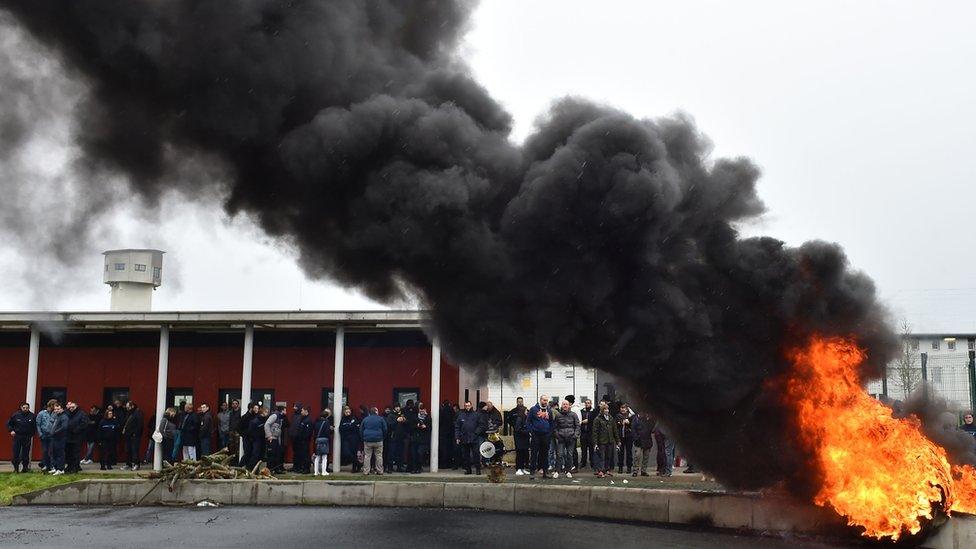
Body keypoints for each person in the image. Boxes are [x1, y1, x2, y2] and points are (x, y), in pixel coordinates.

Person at [454, 401, 486, 475]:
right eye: (466, 406)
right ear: (464, 406)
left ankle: (478, 469)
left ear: (471, 406)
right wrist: (457, 437)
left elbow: (481, 425)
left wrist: (476, 433)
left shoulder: (476, 415)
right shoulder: (461, 415)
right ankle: (468, 469)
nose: (467, 407)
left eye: (468, 405)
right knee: (466, 455)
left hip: (474, 438)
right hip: (464, 438)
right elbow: (457, 427)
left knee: (476, 454)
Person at [527, 395, 554, 477]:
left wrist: (549, 433)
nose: (545, 402)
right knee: (534, 454)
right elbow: (528, 421)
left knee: (545, 454)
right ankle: (532, 472)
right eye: (544, 400)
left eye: (546, 400)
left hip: (546, 435)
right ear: (540, 400)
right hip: (536, 435)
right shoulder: (533, 409)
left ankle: (545, 472)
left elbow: (551, 422)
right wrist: (531, 431)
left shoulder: (549, 410)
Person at [552, 399, 580, 479]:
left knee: (570, 455)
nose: (565, 406)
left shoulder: (573, 415)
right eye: (563, 404)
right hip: (561, 438)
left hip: (571, 438)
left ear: (569, 406)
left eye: (566, 404)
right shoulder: (558, 415)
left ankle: (568, 471)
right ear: (561, 406)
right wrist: (557, 436)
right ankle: (557, 471)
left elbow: (577, 426)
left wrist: (575, 436)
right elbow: (555, 427)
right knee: (559, 455)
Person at [7, 402, 36, 473]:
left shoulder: (32, 416)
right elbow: (9, 424)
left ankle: (25, 468)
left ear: (28, 408)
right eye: (24, 408)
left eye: (27, 408)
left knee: (25, 453)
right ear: (21, 407)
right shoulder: (16, 415)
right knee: (16, 453)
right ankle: (16, 469)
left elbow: (34, 427)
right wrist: (11, 430)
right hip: (17, 436)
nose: (25, 409)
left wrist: (31, 435)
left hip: (27, 437)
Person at [592, 401, 618, 478]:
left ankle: (607, 470)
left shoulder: (611, 418)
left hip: (610, 441)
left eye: (607, 409)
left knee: (608, 456)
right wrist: (595, 443)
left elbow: (615, 430)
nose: (607, 410)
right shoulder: (597, 419)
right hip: (601, 441)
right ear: (602, 410)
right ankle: (601, 471)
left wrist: (618, 441)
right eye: (605, 409)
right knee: (601, 457)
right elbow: (595, 432)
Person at [360, 407, 387, 475]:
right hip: (378, 439)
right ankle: (380, 470)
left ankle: (366, 471)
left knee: (367, 456)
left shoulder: (365, 419)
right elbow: (385, 429)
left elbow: (361, 430)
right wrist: (382, 437)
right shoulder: (381, 419)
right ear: (376, 412)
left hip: (367, 440)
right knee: (379, 455)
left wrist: (363, 437)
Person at [65, 401, 89, 473]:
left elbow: (84, 423)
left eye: (73, 407)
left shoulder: (81, 414)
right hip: (68, 437)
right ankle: (69, 466)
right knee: (68, 452)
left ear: (76, 407)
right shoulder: (67, 413)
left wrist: (76, 430)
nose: (71, 409)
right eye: (70, 407)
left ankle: (75, 467)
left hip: (77, 437)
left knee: (76, 452)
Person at [339, 405, 362, 473]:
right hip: (345, 439)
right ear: (344, 412)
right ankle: (359, 464)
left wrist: (348, 427)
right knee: (347, 453)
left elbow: (355, 427)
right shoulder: (343, 419)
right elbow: (341, 428)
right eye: (346, 412)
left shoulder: (354, 418)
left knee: (354, 453)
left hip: (354, 438)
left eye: (349, 412)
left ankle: (354, 468)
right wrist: (350, 426)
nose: (348, 413)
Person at [121, 401, 144, 471]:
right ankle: (128, 464)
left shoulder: (137, 413)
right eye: (126, 407)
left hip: (134, 436)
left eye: (128, 407)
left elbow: (140, 425)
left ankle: (136, 464)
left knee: (134, 450)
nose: (127, 408)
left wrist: (135, 433)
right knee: (128, 450)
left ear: (132, 406)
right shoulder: (129, 413)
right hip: (128, 435)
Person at [264, 405, 286, 474]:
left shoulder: (280, 417)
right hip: (272, 438)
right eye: (285, 410)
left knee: (276, 455)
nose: (286, 412)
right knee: (271, 455)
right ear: (282, 411)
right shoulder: (275, 416)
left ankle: (276, 469)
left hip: (276, 438)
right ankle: (270, 470)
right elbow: (266, 424)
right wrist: (269, 435)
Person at [36, 399, 56, 472]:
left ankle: (51, 466)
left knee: (51, 451)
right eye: (54, 405)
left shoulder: (55, 413)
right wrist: (40, 434)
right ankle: (45, 465)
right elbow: (38, 424)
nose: (55, 407)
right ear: (51, 405)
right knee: (45, 451)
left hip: (52, 435)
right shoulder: (41, 413)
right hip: (44, 434)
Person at [632, 410, 655, 477]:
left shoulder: (648, 420)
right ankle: (635, 471)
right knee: (637, 456)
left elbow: (651, 428)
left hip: (647, 440)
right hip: (639, 441)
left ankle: (643, 470)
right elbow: (633, 430)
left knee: (646, 456)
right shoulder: (635, 419)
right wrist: (636, 438)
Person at [292, 405, 313, 474]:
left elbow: (308, 432)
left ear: (306, 411)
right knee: (302, 455)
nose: (301, 412)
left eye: (302, 410)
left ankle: (306, 468)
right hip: (300, 440)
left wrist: (304, 438)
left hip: (304, 441)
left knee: (305, 455)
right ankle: (302, 467)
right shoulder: (303, 419)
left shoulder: (308, 420)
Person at [411, 402, 431, 473]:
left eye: (423, 410)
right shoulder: (415, 417)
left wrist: (425, 427)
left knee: (420, 453)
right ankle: (414, 468)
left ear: (425, 410)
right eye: (420, 410)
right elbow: (411, 427)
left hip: (423, 439)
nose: (422, 412)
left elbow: (430, 428)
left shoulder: (428, 418)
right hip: (415, 438)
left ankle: (419, 468)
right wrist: (417, 426)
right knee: (414, 454)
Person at [312, 409, 333, 476]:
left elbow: (315, 431)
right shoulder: (326, 422)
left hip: (317, 439)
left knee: (317, 456)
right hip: (324, 440)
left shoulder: (317, 421)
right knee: (324, 457)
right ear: (326, 416)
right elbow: (327, 432)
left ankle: (316, 472)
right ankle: (324, 471)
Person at [49, 403, 68, 475]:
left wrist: (55, 432)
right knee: (54, 453)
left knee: (60, 454)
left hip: (60, 438)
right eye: (55, 409)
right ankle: (56, 468)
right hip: (55, 438)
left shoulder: (64, 417)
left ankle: (60, 469)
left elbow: (64, 427)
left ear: (62, 409)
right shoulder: (57, 416)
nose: (56, 410)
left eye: (58, 409)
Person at [616, 403, 634, 474]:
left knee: (629, 452)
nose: (623, 409)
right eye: (621, 408)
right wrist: (621, 422)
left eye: (624, 408)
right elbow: (616, 424)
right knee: (620, 453)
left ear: (627, 409)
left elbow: (633, 425)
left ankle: (629, 467)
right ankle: (620, 467)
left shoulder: (631, 416)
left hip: (628, 436)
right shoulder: (618, 416)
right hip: (620, 436)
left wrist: (629, 423)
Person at [513, 404, 530, 475]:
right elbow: (518, 429)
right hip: (519, 439)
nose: (527, 412)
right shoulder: (519, 419)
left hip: (524, 439)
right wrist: (527, 432)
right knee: (519, 454)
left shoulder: (525, 418)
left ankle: (522, 468)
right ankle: (518, 468)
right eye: (526, 410)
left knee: (524, 454)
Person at [439, 400, 456, 470]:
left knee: (443, 449)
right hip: (451, 432)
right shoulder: (452, 411)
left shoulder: (442, 411)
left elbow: (440, 421)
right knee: (450, 448)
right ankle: (449, 463)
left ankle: (443, 463)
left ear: (443, 404)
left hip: (443, 433)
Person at [579, 398, 595, 469]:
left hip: (590, 432)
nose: (587, 404)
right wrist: (582, 422)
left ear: (591, 404)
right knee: (583, 449)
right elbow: (579, 420)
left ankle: (592, 462)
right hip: (583, 432)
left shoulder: (593, 411)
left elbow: (595, 421)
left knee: (591, 449)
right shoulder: (581, 411)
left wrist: (589, 421)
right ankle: (583, 462)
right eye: (586, 403)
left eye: (588, 403)